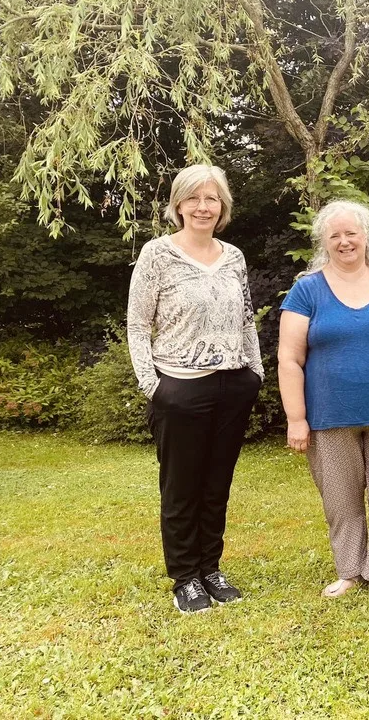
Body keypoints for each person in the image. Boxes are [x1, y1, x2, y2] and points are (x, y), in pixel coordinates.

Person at [127, 164, 264, 614]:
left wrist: (255, 373)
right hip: (179, 388)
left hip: (233, 385)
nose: (203, 207)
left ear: (222, 206)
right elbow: (137, 324)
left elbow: (246, 319)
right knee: (181, 487)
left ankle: (211, 568)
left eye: (212, 198)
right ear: (178, 205)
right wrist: (154, 386)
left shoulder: (234, 257)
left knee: (216, 484)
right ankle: (185, 577)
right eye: (194, 198)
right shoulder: (157, 254)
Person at [277, 201, 369, 600]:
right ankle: (348, 569)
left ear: (366, 237)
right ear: (324, 242)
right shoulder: (307, 290)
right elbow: (290, 359)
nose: (345, 241)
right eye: (335, 235)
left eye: (352, 233)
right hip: (329, 415)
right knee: (341, 498)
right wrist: (296, 418)